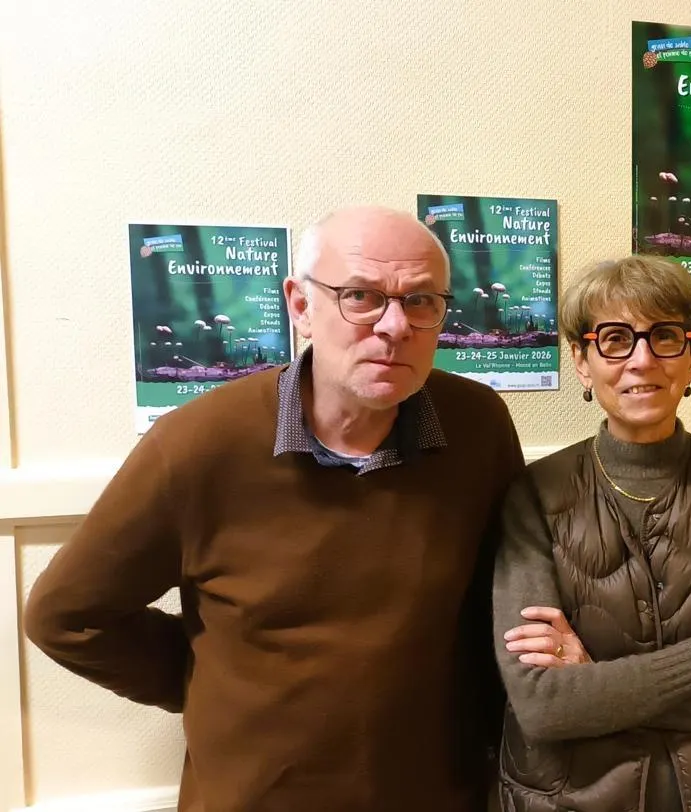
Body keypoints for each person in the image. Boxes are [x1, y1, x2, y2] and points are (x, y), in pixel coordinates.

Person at [23, 206, 523, 812]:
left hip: (435, 793)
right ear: (301, 305)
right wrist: (211, 680)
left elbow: (501, 601)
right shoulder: (199, 444)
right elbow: (68, 617)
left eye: (420, 301)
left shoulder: (476, 425)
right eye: (361, 296)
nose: (395, 326)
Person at [491, 255, 691, 811]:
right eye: (615, 339)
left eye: (665, 337)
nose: (642, 360)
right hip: (569, 797)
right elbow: (543, 706)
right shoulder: (535, 495)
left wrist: (596, 686)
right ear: (582, 361)